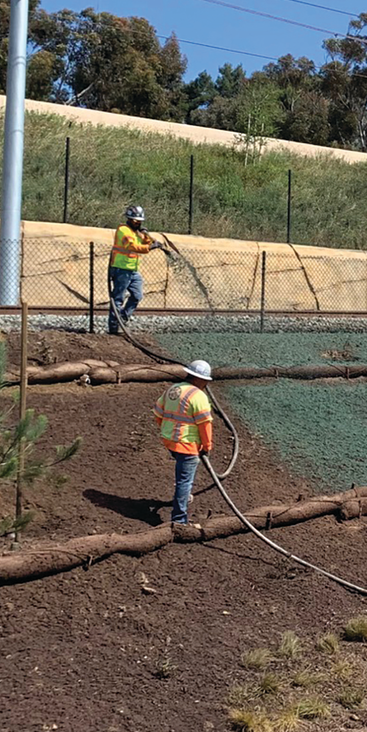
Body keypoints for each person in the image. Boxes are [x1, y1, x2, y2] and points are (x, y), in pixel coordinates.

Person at [154, 361, 215, 527]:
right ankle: (179, 520)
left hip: (170, 441)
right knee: (184, 481)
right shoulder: (199, 396)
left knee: (183, 475)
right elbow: (205, 425)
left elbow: (158, 413)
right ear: (200, 379)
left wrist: (168, 431)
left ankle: (184, 496)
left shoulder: (173, 390)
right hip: (187, 445)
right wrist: (207, 446)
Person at [109, 205, 170, 334]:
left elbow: (145, 243)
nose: (138, 223)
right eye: (135, 221)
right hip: (121, 269)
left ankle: (123, 317)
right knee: (118, 298)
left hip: (133, 270)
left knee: (137, 295)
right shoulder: (123, 230)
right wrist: (151, 247)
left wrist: (147, 236)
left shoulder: (137, 233)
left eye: (140, 221)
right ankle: (114, 327)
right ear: (129, 219)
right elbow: (132, 246)